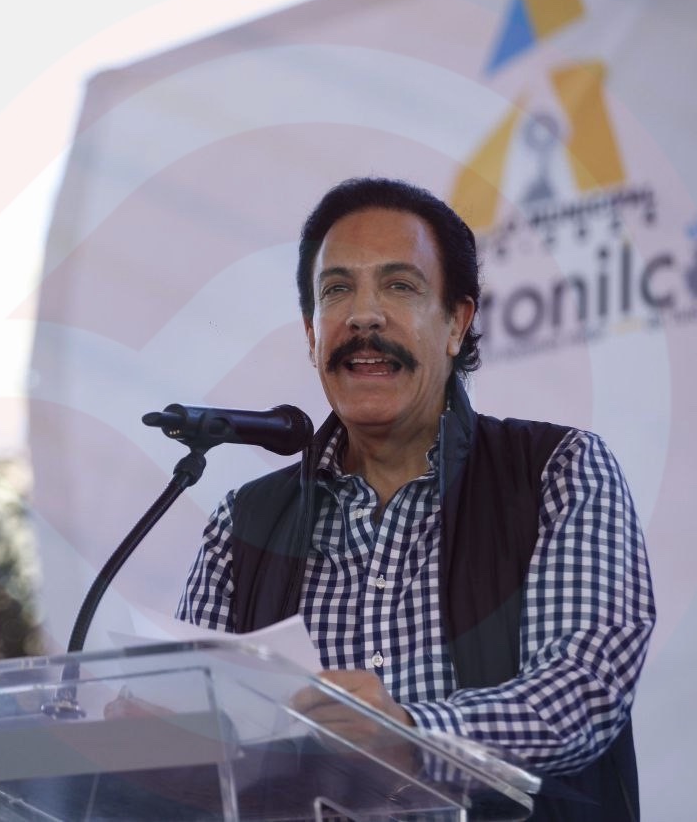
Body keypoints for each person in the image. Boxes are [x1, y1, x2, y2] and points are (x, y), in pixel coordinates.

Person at [176, 177, 655, 820]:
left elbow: (579, 693)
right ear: (312, 334)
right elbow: (201, 729)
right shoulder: (242, 526)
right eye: (336, 290)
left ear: (457, 323)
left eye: (399, 286)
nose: (363, 316)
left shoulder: (558, 471)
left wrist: (409, 737)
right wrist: (156, 741)